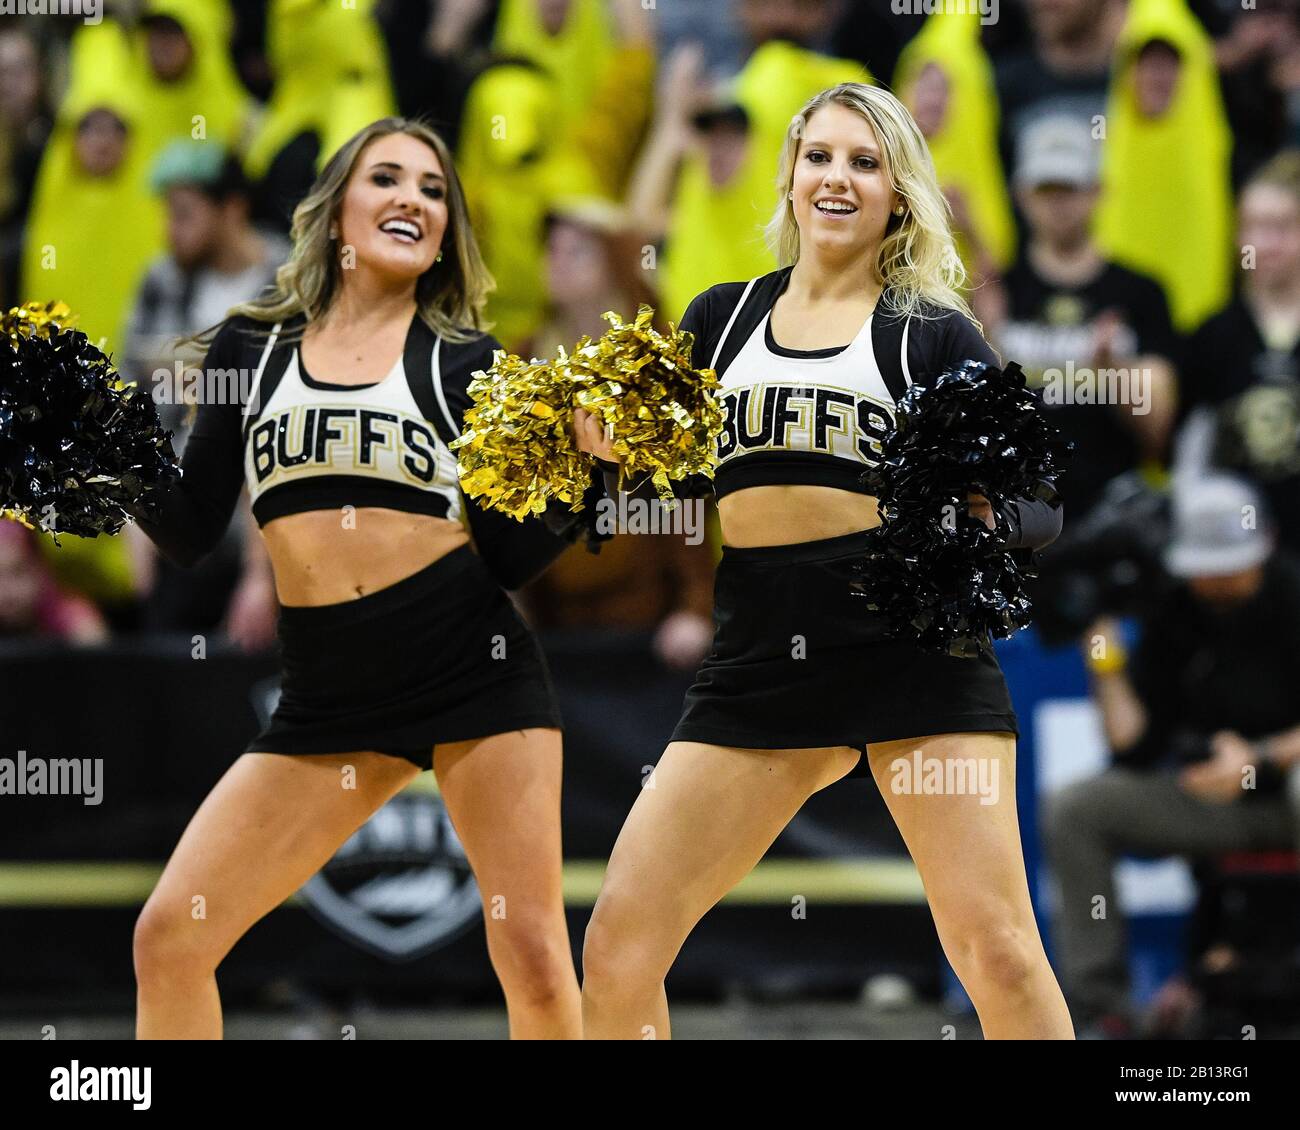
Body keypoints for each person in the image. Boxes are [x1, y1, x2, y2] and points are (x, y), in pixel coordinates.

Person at [575, 82, 1072, 1040]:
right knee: (620, 941)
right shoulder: (720, 320)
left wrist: (980, 518)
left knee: (998, 949)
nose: (837, 177)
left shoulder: (933, 332)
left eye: (864, 161)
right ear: (790, 175)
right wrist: (602, 441)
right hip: (761, 655)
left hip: (912, 651)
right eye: (820, 156)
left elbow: (1040, 504)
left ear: (897, 193)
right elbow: (658, 460)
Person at [129, 117, 595, 1040]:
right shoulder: (249, 353)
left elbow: (507, 557)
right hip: (327, 698)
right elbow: (187, 529)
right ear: (338, 211)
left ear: (443, 233)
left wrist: (591, 477)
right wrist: (106, 452)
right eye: (388, 178)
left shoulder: (469, 367)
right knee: (168, 938)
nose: (412, 200)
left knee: (535, 956)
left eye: (432, 190)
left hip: (474, 675)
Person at [1043, 474, 1300, 1037]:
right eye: (1205, 570)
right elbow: (1134, 746)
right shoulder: (1175, 611)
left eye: (1231, 567)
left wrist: (1260, 756)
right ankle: (1102, 1011)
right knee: (1077, 807)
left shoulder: (1292, 596)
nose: (1218, 582)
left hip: (1288, 792)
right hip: (1220, 805)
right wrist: (1103, 656)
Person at [122, 140, 289, 644]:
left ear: (232, 208)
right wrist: (133, 515)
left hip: (270, 529)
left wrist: (263, 575)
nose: (170, 230)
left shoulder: (290, 283)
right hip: (178, 522)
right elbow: (129, 403)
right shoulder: (162, 280)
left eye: (184, 214)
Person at [978, 113, 1178, 520]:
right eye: (1046, 189)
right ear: (1022, 195)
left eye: (1070, 188)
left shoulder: (1140, 292)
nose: (1059, 203)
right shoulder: (998, 292)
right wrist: (988, 339)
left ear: (1097, 191)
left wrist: (1112, 369)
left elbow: (1159, 433)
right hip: (1015, 511)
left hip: (1113, 511)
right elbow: (973, 423)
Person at [1174, 150, 1300, 553]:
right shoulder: (1214, 334)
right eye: (1253, 227)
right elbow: (1189, 454)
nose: (1265, 244)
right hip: (1238, 558)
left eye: (1281, 227)